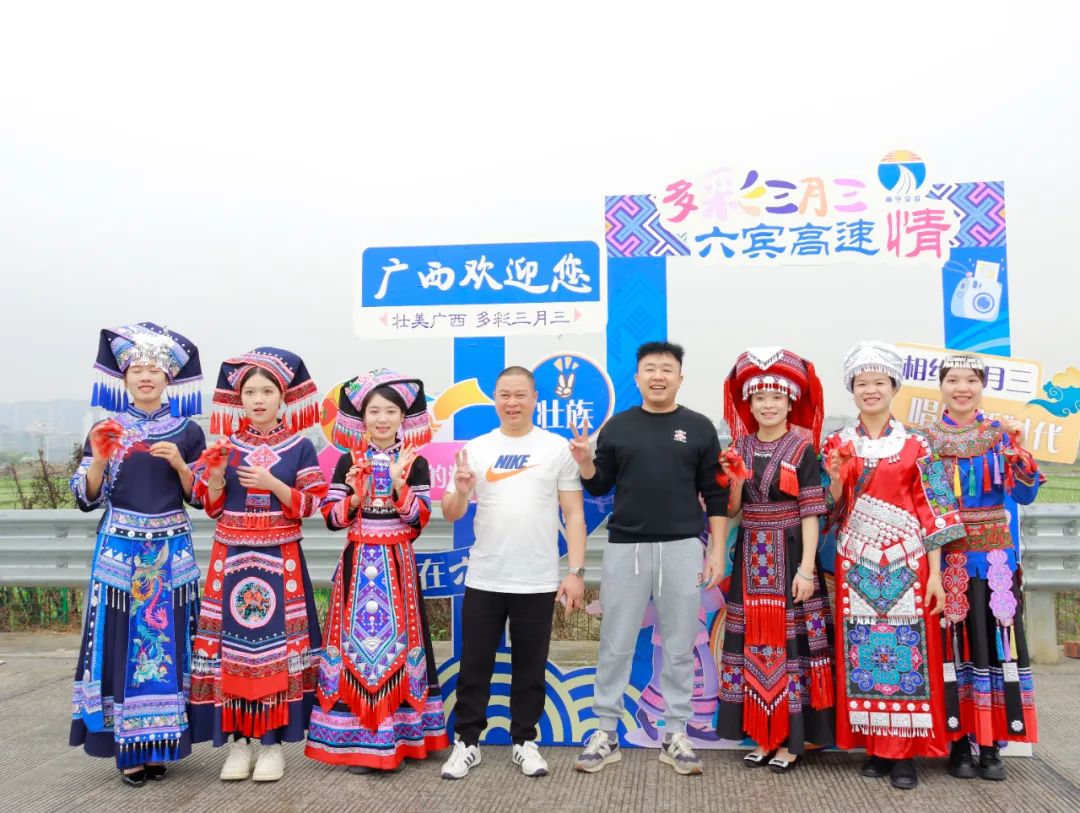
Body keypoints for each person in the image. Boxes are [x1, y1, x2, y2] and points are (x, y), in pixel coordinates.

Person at [571, 341, 729, 776]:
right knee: (616, 642)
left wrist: (716, 550)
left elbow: (715, 494)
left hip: (683, 548)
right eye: (650, 369)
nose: (658, 376)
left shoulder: (698, 427)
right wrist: (585, 462)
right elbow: (599, 486)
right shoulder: (619, 427)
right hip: (627, 549)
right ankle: (606, 732)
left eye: (666, 369)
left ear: (680, 377)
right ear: (637, 378)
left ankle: (675, 733)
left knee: (681, 643)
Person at [821, 341, 966, 790]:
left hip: (908, 562)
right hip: (856, 562)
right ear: (852, 389)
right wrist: (835, 478)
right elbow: (830, 509)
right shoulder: (837, 442)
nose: (870, 390)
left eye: (878, 382)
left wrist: (936, 575)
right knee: (863, 654)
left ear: (893, 387)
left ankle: (905, 755)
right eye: (862, 383)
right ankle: (875, 749)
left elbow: (935, 512)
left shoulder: (918, 443)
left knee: (909, 655)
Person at [70, 323, 206, 787]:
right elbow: (86, 496)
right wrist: (100, 458)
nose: (145, 377)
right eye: (136, 370)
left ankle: (161, 743)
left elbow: (201, 497)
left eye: (154, 369)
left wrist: (181, 465)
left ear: (169, 378)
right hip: (120, 553)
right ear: (123, 377)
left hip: (170, 552)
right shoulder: (106, 428)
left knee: (170, 646)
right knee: (119, 644)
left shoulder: (188, 430)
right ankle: (125, 748)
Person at [439, 365, 587, 780]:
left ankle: (525, 741)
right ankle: (467, 742)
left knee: (530, 666)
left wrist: (576, 571)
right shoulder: (477, 449)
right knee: (474, 665)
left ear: (535, 398)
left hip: (537, 577)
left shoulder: (555, 448)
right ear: (495, 399)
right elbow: (451, 512)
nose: (512, 402)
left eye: (521, 395)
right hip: (485, 575)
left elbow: (574, 514)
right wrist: (462, 491)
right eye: (504, 395)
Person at [189, 348, 327, 782]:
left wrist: (272, 484)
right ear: (239, 398)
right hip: (230, 559)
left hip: (280, 560)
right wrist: (215, 477)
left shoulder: (300, 447)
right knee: (231, 651)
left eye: (267, 391)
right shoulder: (225, 447)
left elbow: (313, 504)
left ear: (282, 397)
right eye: (250, 392)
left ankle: (271, 745)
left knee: (277, 651)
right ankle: (238, 743)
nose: (258, 399)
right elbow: (211, 506)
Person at [305, 369, 450, 772]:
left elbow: (418, 522)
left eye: (390, 411)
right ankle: (363, 739)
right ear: (361, 417)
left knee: (401, 647)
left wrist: (401, 486)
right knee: (357, 651)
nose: (382, 419)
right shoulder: (347, 462)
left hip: (397, 564)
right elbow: (332, 520)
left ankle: (403, 738)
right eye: (374, 411)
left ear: (403, 417)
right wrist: (354, 497)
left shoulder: (415, 462)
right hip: (358, 564)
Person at [925, 354, 1044, 781]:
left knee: (994, 647)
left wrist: (1018, 452)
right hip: (948, 556)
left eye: (971, 380)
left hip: (994, 559)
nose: (962, 388)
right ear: (941, 386)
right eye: (953, 380)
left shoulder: (1000, 434)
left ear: (982, 386)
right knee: (952, 647)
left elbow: (1026, 496)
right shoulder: (926, 440)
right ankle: (958, 742)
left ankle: (991, 744)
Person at [715, 348, 835, 772]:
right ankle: (763, 736)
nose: (768, 405)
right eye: (760, 398)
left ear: (789, 403)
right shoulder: (740, 447)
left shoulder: (802, 448)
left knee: (791, 647)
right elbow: (733, 509)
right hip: (750, 557)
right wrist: (732, 479)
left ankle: (790, 742)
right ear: (749, 405)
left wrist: (806, 569)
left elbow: (811, 513)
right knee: (755, 645)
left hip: (790, 556)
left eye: (776, 398)